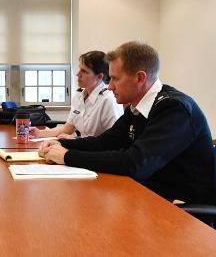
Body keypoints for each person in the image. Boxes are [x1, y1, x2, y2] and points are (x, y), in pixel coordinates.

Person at [39, 41, 216, 204]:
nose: (109, 86)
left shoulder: (174, 109)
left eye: (115, 79)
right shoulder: (136, 107)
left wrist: (66, 156)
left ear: (140, 78)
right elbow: (104, 142)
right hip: (152, 197)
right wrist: (59, 143)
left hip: (187, 212)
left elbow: (135, 164)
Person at [30, 51, 123, 139]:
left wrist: (76, 140)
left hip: (98, 153)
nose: (78, 74)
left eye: (84, 71)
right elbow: (67, 128)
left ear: (99, 77)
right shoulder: (79, 96)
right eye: (79, 69)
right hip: (84, 149)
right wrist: (39, 133)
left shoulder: (108, 100)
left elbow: (114, 141)